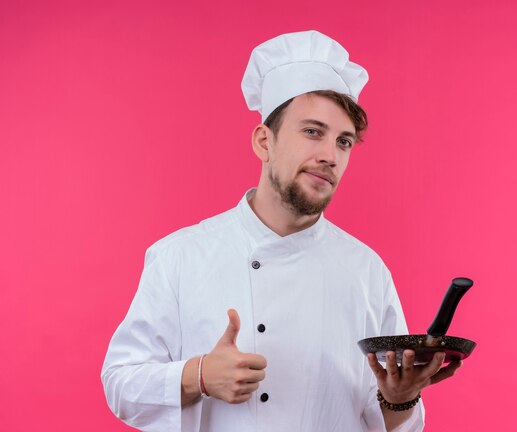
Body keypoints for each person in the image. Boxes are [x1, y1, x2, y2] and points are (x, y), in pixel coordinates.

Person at [102, 30, 462, 432]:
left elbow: (392, 420)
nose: (329, 155)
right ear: (264, 141)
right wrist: (198, 375)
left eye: (344, 142)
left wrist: (399, 399)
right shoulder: (180, 256)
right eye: (312, 132)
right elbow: (120, 383)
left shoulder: (366, 271)